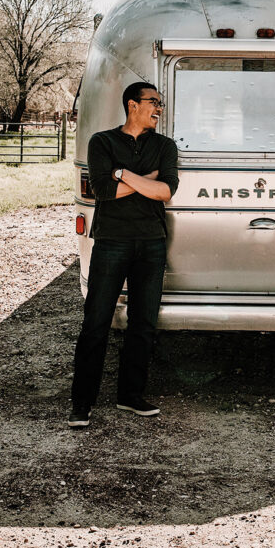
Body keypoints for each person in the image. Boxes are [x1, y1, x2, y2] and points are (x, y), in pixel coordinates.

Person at [68, 81, 179, 428]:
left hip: (151, 242)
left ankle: (130, 396)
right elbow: (102, 190)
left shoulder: (164, 146)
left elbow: (165, 191)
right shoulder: (102, 141)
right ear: (132, 105)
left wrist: (123, 174)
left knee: (143, 324)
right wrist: (144, 180)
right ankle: (81, 403)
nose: (158, 109)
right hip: (112, 241)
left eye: (159, 104)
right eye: (153, 102)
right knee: (96, 322)